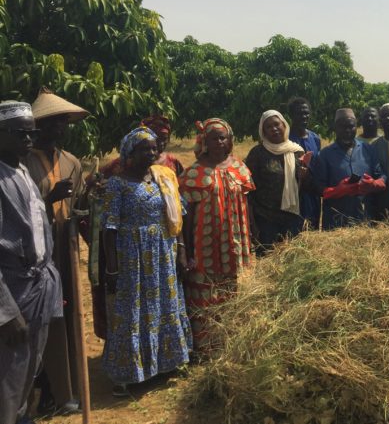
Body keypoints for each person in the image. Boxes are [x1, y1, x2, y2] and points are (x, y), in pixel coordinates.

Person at [101, 127, 192, 397]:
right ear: (130, 152)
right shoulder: (118, 184)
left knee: (166, 304)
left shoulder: (163, 178)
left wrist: (182, 251)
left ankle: (168, 363)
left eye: (154, 148)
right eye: (144, 149)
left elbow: (178, 217)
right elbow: (109, 228)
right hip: (132, 256)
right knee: (132, 311)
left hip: (163, 252)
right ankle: (126, 375)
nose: (152, 152)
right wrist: (112, 267)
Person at [22, 89, 88, 415]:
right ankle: (39, 389)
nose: (58, 130)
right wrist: (48, 201)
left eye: (62, 124)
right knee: (38, 319)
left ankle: (64, 387)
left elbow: (80, 206)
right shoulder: (22, 164)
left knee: (65, 317)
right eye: (51, 124)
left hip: (64, 247)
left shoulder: (72, 162)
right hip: (33, 253)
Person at [0, 101, 62, 424]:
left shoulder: (22, 171)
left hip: (37, 287)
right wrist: (7, 313)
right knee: (7, 377)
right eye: (19, 133)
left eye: (31, 133)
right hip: (12, 291)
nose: (28, 140)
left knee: (28, 370)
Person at [179, 118, 254, 350]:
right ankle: (205, 347)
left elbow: (246, 204)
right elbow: (187, 215)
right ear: (204, 141)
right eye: (214, 138)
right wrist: (188, 250)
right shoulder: (194, 173)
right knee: (204, 293)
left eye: (223, 137)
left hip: (235, 242)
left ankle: (230, 343)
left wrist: (251, 234)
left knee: (232, 290)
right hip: (205, 245)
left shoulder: (239, 168)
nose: (219, 142)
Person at [245, 110, 309, 253]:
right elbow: (247, 190)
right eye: (268, 127)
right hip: (266, 220)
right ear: (264, 132)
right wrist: (252, 224)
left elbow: (303, 187)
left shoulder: (297, 151)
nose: (274, 129)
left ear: (284, 125)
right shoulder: (257, 153)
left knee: (293, 264)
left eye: (276, 124)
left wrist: (304, 176)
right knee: (268, 265)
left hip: (292, 218)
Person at [311, 108, 385, 230]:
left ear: (356, 127)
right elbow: (318, 188)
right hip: (335, 224)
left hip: (365, 222)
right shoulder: (325, 155)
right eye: (342, 127)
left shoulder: (369, 150)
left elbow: (382, 177)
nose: (347, 131)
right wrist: (339, 190)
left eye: (351, 127)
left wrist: (373, 184)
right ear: (335, 128)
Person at [100, 113, 184, 177]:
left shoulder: (172, 162)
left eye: (164, 139)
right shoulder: (123, 164)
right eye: (157, 139)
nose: (161, 143)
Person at [287, 98, 322, 228]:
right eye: (299, 113)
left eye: (306, 113)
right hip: (294, 194)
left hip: (312, 195)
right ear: (291, 115)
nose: (304, 117)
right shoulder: (286, 139)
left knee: (312, 231)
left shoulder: (315, 138)